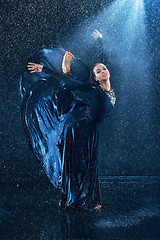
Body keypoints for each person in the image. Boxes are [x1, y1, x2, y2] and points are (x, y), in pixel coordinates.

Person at [20, 29, 116, 210]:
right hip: (79, 126)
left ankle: (92, 200)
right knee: (82, 163)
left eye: (103, 69)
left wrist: (100, 41)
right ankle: (79, 200)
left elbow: (104, 60)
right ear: (94, 78)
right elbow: (75, 84)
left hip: (91, 128)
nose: (103, 71)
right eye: (98, 71)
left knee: (90, 162)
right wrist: (45, 69)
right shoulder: (94, 89)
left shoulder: (106, 86)